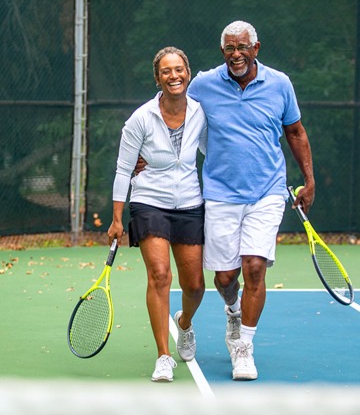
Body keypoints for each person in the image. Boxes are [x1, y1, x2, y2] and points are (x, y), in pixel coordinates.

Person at [186, 20, 315, 381]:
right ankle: (232, 312)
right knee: (226, 278)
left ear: (256, 49)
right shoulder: (204, 84)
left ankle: (243, 347)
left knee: (254, 268)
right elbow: (172, 112)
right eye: (229, 48)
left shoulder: (280, 84)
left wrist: (309, 180)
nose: (236, 54)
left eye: (243, 47)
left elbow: (295, 132)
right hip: (220, 194)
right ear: (222, 51)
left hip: (268, 192)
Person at [107, 47, 207, 383]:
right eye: (167, 71)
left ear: (188, 73)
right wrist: (118, 218)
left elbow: (215, 150)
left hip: (191, 203)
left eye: (179, 69)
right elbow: (124, 168)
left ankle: (185, 324)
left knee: (194, 285)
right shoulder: (140, 118)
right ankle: (164, 355)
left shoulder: (200, 113)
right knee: (160, 275)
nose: (174, 76)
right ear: (158, 78)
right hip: (150, 201)